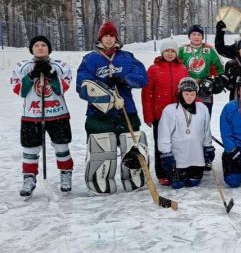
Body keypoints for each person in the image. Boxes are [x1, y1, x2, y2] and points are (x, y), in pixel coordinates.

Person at [77, 21, 149, 194]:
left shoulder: (127, 57)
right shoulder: (90, 59)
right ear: (100, 38)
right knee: (102, 147)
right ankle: (99, 178)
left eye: (112, 36)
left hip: (126, 110)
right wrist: (103, 91)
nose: (109, 39)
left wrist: (125, 80)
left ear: (116, 38)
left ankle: (133, 177)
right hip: (99, 113)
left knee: (131, 145)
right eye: (105, 36)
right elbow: (82, 85)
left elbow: (142, 76)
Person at [11, 35, 74, 196]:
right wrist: (31, 77)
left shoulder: (60, 66)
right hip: (31, 116)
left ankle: (65, 174)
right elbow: (19, 91)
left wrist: (52, 76)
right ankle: (29, 178)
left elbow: (63, 88)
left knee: (62, 147)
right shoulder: (22, 66)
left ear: (49, 48)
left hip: (57, 114)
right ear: (32, 49)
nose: (40, 48)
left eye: (43, 45)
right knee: (30, 149)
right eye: (36, 45)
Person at [141, 38, 189, 185]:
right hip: (160, 115)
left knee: (178, 143)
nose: (169, 53)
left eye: (172, 51)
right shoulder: (153, 69)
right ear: (162, 52)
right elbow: (147, 94)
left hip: (178, 113)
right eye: (167, 51)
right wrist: (148, 115)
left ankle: (178, 169)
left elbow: (187, 92)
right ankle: (163, 173)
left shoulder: (182, 69)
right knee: (161, 144)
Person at [157, 78, 214, 189]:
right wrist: (166, 155)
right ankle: (177, 171)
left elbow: (206, 131)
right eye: (186, 93)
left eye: (192, 94)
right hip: (178, 159)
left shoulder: (202, 109)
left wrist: (208, 147)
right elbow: (164, 135)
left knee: (194, 183)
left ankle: (195, 169)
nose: (189, 97)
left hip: (196, 158)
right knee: (177, 185)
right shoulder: (170, 110)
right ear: (180, 93)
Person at [177, 24, 225, 116]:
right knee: (187, 118)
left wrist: (220, 79)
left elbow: (220, 67)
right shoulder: (182, 50)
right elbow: (175, 67)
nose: (196, 37)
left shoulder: (209, 49)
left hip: (205, 89)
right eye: (194, 34)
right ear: (189, 36)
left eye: (199, 35)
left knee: (204, 117)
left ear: (202, 37)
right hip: (187, 89)